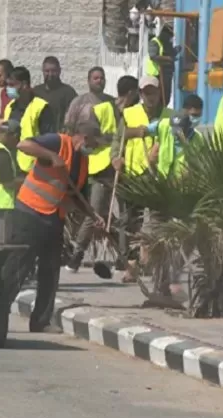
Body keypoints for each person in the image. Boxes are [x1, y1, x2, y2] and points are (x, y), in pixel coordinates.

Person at [2, 123, 101, 333]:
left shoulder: (83, 161)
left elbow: (77, 196)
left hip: (54, 218)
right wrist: (52, 156)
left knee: (50, 270)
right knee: (18, 268)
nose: (93, 148)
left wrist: (93, 215)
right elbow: (24, 144)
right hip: (29, 212)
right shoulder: (58, 142)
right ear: (83, 136)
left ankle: (41, 321)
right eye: (92, 143)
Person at [66, 75, 140, 272]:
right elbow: (89, 137)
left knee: (125, 215)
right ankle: (77, 255)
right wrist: (110, 141)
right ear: (132, 93)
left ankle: (123, 258)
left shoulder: (135, 112)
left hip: (123, 167)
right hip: (101, 168)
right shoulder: (103, 109)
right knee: (95, 213)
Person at [111, 75, 174, 282]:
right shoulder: (129, 113)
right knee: (130, 223)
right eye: (146, 93)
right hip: (134, 174)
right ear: (140, 94)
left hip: (160, 176)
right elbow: (118, 139)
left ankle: (154, 262)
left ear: (159, 94)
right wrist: (115, 159)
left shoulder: (169, 116)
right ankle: (131, 266)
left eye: (153, 92)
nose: (150, 97)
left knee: (159, 222)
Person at [3, 66, 57, 174]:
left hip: (34, 169)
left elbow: (50, 141)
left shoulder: (41, 107)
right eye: (7, 85)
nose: (8, 89)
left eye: (12, 85)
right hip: (12, 167)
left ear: (24, 85)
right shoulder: (9, 107)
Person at [155, 94, 203, 178]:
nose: (196, 119)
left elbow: (201, 165)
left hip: (185, 185)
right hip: (164, 183)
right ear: (184, 111)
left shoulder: (198, 138)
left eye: (199, 115)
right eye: (194, 115)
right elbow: (142, 131)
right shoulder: (165, 125)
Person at [64, 67, 114, 133]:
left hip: (107, 142)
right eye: (95, 78)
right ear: (88, 81)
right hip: (83, 141)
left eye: (102, 78)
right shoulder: (78, 102)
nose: (99, 81)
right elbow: (69, 126)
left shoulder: (112, 102)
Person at [33, 56, 78, 130]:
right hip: (39, 136)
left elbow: (75, 115)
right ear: (43, 71)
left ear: (59, 71)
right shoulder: (36, 92)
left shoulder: (68, 92)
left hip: (59, 137)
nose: (50, 74)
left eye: (54, 71)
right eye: (47, 71)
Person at [145, 23, 181, 107]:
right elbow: (153, 56)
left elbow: (170, 53)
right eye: (169, 36)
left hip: (166, 74)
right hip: (156, 75)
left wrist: (176, 50)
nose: (170, 39)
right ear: (164, 34)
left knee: (166, 97)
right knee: (158, 97)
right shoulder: (155, 42)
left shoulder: (166, 44)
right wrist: (168, 59)